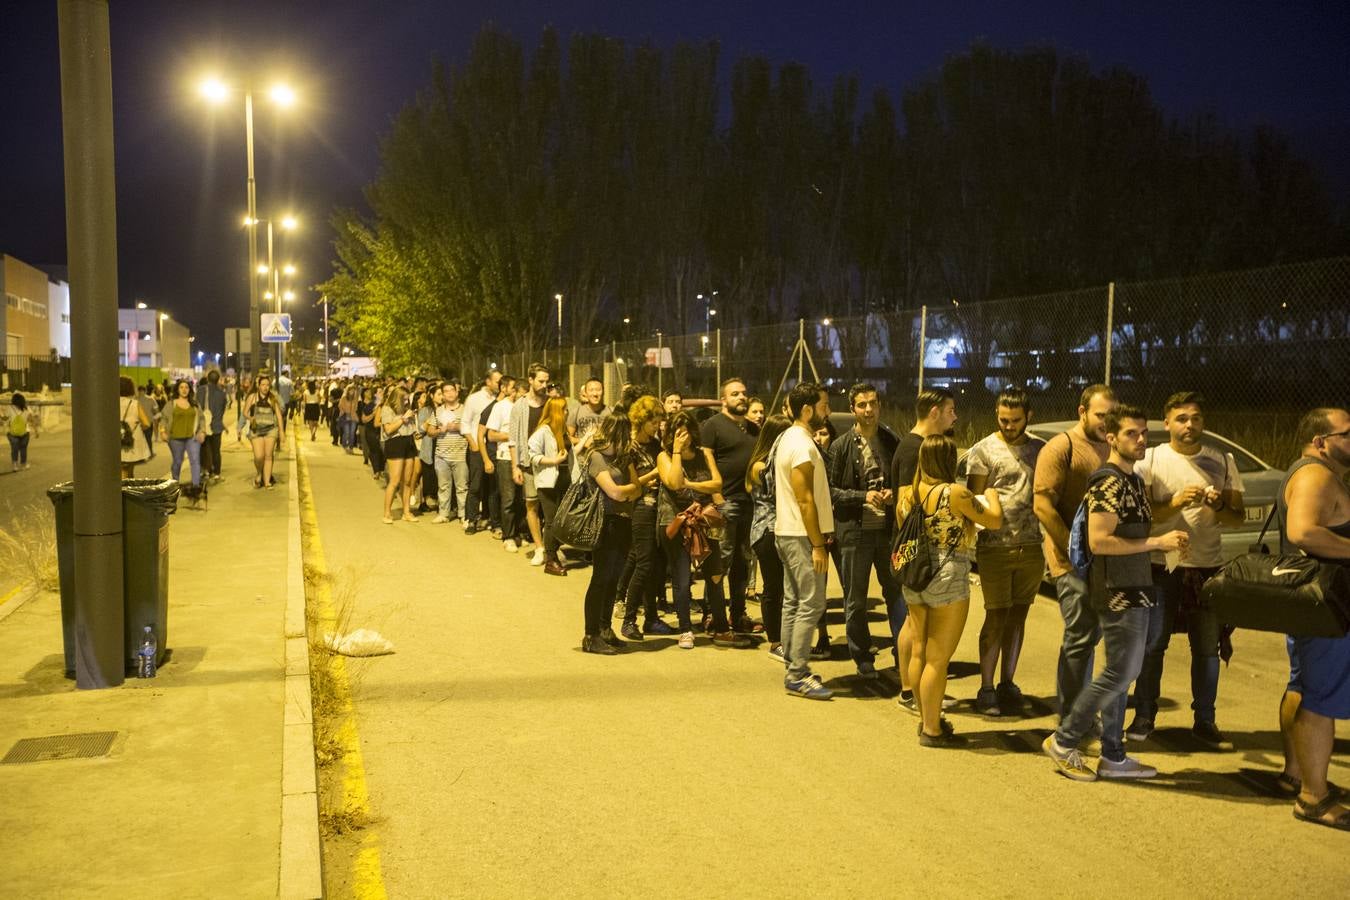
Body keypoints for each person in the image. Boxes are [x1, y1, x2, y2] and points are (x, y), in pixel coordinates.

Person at [1043, 406, 1187, 781]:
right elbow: (1099, 541)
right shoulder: (1107, 482)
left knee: (1122, 674)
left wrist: (1164, 545)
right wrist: (1157, 542)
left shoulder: (1133, 480)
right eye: (1130, 434)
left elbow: (1131, 535)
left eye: (1144, 433)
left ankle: (1113, 755)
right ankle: (1064, 740)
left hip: (1136, 585)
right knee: (1120, 673)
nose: (1140, 440)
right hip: (1116, 590)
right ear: (1111, 438)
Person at [1127, 392, 1245, 748]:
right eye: (1181, 418)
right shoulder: (1150, 459)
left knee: (1207, 647)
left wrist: (1219, 505)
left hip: (1207, 566)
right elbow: (1144, 517)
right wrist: (1175, 502)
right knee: (1153, 644)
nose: (1189, 425)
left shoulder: (1222, 460)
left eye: (1195, 418)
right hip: (1161, 566)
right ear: (1167, 423)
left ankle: (1205, 721)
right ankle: (1144, 715)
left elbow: (1236, 519)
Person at [901, 434, 1003, 745]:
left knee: (919, 650)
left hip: (914, 573)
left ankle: (926, 719)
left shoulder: (909, 492)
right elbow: (994, 520)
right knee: (938, 658)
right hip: (946, 575)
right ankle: (932, 730)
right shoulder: (955, 493)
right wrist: (992, 495)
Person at [1277, 407, 1350, 830]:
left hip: (1316, 607)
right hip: (1327, 608)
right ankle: (1313, 798)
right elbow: (1303, 532)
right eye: (1347, 433)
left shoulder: (1316, 473)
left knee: (1305, 688)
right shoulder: (1315, 476)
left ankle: (1300, 774)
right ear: (1321, 441)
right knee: (1321, 700)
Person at [1033, 383, 1117, 721]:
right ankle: (1071, 717)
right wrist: (1073, 549)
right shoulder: (1061, 448)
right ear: (1082, 412)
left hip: (1104, 561)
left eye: (1112, 415)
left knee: (1091, 636)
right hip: (1071, 563)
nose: (1107, 421)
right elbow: (1042, 506)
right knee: (1080, 636)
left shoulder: (1111, 446)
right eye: (1101, 415)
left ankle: (1080, 711)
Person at [964, 388, 1046, 716]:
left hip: (1032, 545)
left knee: (1019, 615)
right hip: (995, 548)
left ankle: (1007, 683)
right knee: (996, 615)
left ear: (1028, 417)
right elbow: (973, 501)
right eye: (1003, 420)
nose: (1009, 426)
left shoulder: (1040, 450)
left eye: (1015, 420)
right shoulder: (983, 450)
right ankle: (986, 688)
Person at [827, 383, 902, 679]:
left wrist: (894, 494)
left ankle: (903, 653)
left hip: (887, 532)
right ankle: (862, 656)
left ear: (879, 405)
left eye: (873, 403)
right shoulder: (840, 447)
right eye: (862, 404)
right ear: (852, 409)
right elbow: (830, 491)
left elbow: (905, 480)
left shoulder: (891, 440)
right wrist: (862, 497)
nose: (868, 409)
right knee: (856, 599)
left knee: (896, 594)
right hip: (854, 533)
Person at [659, 410, 747, 650]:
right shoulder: (664, 456)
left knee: (715, 574)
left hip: (704, 520)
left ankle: (721, 627)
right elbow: (674, 483)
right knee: (681, 577)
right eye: (678, 433)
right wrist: (677, 452)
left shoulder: (704, 454)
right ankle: (685, 629)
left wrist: (691, 484)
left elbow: (717, 483)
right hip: (677, 521)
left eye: (686, 432)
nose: (683, 437)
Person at [892, 389, 958, 714]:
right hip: (917, 551)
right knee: (914, 628)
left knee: (912, 624)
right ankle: (910, 691)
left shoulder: (914, 445)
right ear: (934, 412)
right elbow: (905, 504)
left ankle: (916, 690)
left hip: (914, 549)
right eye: (950, 410)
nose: (954, 417)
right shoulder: (914, 449)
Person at [775, 382, 836, 700]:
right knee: (812, 603)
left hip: (789, 532)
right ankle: (797, 674)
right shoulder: (801, 445)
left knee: (794, 600)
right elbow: (805, 499)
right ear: (808, 410)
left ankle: (792, 663)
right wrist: (817, 544)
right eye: (824, 406)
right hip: (801, 535)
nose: (828, 411)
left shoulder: (789, 438)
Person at [701, 377, 762, 634]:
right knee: (720, 562)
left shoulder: (753, 428)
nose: (741, 397)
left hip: (749, 503)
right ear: (723, 399)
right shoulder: (712, 425)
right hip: (724, 503)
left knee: (743, 562)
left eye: (743, 393)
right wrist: (717, 497)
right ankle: (711, 614)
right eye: (735, 394)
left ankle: (738, 615)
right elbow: (705, 460)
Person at [580, 412, 644, 655]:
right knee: (601, 579)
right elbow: (615, 492)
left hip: (623, 521)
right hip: (605, 523)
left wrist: (626, 490)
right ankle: (591, 635)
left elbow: (636, 490)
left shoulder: (624, 457)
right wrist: (628, 490)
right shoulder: (597, 457)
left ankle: (605, 629)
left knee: (613, 578)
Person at [615, 395, 671, 634]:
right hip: (639, 509)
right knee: (644, 563)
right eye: (653, 421)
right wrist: (655, 473)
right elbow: (631, 484)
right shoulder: (629, 447)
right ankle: (629, 620)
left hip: (658, 507)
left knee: (655, 566)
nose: (657, 426)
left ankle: (651, 618)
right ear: (641, 420)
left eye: (659, 421)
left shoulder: (655, 444)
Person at [748, 414, 793, 662]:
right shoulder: (759, 465)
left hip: (783, 530)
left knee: (787, 588)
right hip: (767, 531)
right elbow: (778, 488)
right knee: (773, 588)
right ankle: (775, 641)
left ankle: (786, 638)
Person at [509, 364, 551, 562]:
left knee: (551, 508)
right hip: (528, 463)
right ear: (531, 380)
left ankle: (551, 546)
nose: (544, 385)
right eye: (540, 381)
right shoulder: (520, 406)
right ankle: (539, 547)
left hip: (549, 462)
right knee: (532, 505)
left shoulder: (550, 403)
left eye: (546, 381)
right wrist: (515, 466)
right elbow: (513, 439)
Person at [527, 397, 571, 574]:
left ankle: (554, 553)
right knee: (552, 521)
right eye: (564, 409)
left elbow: (570, 452)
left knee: (561, 520)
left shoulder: (561, 430)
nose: (567, 412)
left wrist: (586, 439)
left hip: (564, 481)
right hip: (548, 483)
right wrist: (554, 461)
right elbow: (533, 456)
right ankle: (551, 560)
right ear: (556, 412)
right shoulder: (543, 431)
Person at [460, 369, 502, 534]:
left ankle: (490, 518)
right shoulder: (474, 399)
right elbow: (465, 423)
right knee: (476, 485)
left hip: (494, 448)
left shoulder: (502, 400)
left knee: (492, 486)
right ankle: (471, 519)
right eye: (497, 381)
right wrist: (472, 442)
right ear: (488, 381)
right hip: (478, 447)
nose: (500, 385)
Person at [429, 382, 469, 523]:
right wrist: (440, 430)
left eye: (452, 390)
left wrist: (457, 427)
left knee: (462, 487)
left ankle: (463, 514)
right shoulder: (438, 411)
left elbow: (472, 427)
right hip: (441, 455)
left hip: (460, 454)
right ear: (443, 395)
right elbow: (430, 431)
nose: (450, 393)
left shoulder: (465, 409)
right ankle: (443, 514)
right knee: (443, 486)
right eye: (446, 391)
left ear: (457, 392)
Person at [379, 385, 419, 522]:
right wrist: (402, 419)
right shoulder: (387, 409)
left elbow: (412, 428)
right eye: (404, 399)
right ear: (397, 399)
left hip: (409, 442)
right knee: (395, 481)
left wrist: (416, 429)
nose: (406, 402)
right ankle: (387, 513)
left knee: (407, 481)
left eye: (407, 399)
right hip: (395, 443)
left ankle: (406, 512)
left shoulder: (407, 409)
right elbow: (388, 430)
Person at [160, 379, 206, 491]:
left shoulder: (194, 404)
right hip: (175, 438)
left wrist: (202, 431)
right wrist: (162, 432)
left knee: (195, 460)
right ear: (177, 389)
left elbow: (201, 418)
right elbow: (164, 419)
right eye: (181, 387)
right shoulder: (171, 404)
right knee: (177, 461)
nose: (184, 390)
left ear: (190, 390)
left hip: (192, 437)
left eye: (186, 387)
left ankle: (196, 487)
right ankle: (175, 483)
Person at [244, 374, 285, 488]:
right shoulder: (252, 397)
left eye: (267, 385)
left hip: (270, 430)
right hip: (256, 431)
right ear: (258, 385)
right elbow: (245, 412)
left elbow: (279, 416)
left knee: (268, 456)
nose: (265, 387)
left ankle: (267, 482)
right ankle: (259, 473)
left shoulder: (272, 398)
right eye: (263, 385)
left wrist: (281, 432)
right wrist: (250, 418)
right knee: (259, 456)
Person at [197, 370, 228, 482]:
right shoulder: (222, 393)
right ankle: (217, 473)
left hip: (203, 426)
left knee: (203, 449)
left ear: (208, 378)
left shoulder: (201, 390)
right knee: (216, 451)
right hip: (217, 426)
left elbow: (196, 406)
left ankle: (205, 470)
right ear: (218, 379)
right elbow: (223, 409)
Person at [119, 376, 152, 477]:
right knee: (128, 469)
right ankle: (127, 486)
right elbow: (146, 423)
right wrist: (136, 429)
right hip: (131, 440)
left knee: (122, 469)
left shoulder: (109, 403)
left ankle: (125, 486)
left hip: (115, 439)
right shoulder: (134, 404)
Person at [567, 377, 609, 445]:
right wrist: (584, 442)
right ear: (585, 393)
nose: (595, 394)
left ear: (603, 392)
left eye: (598, 390)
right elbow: (568, 439)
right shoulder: (576, 412)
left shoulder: (611, 412)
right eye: (591, 390)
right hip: (583, 451)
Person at [4, 393, 33, 471]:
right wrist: (36, 431)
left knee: (14, 448)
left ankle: (15, 466)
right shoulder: (26, 408)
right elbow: (31, 419)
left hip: (12, 432)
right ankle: (23, 465)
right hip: (25, 431)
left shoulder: (10, 408)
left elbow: (5, 418)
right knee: (23, 449)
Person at [338, 385, 360, 454]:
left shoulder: (355, 398)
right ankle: (345, 445)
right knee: (347, 432)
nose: (352, 392)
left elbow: (356, 407)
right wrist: (344, 412)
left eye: (353, 390)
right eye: (351, 390)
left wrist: (353, 412)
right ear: (348, 391)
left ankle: (351, 447)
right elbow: (340, 406)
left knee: (352, 433)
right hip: (345, 416)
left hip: (353, 417)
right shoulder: (344, 398)